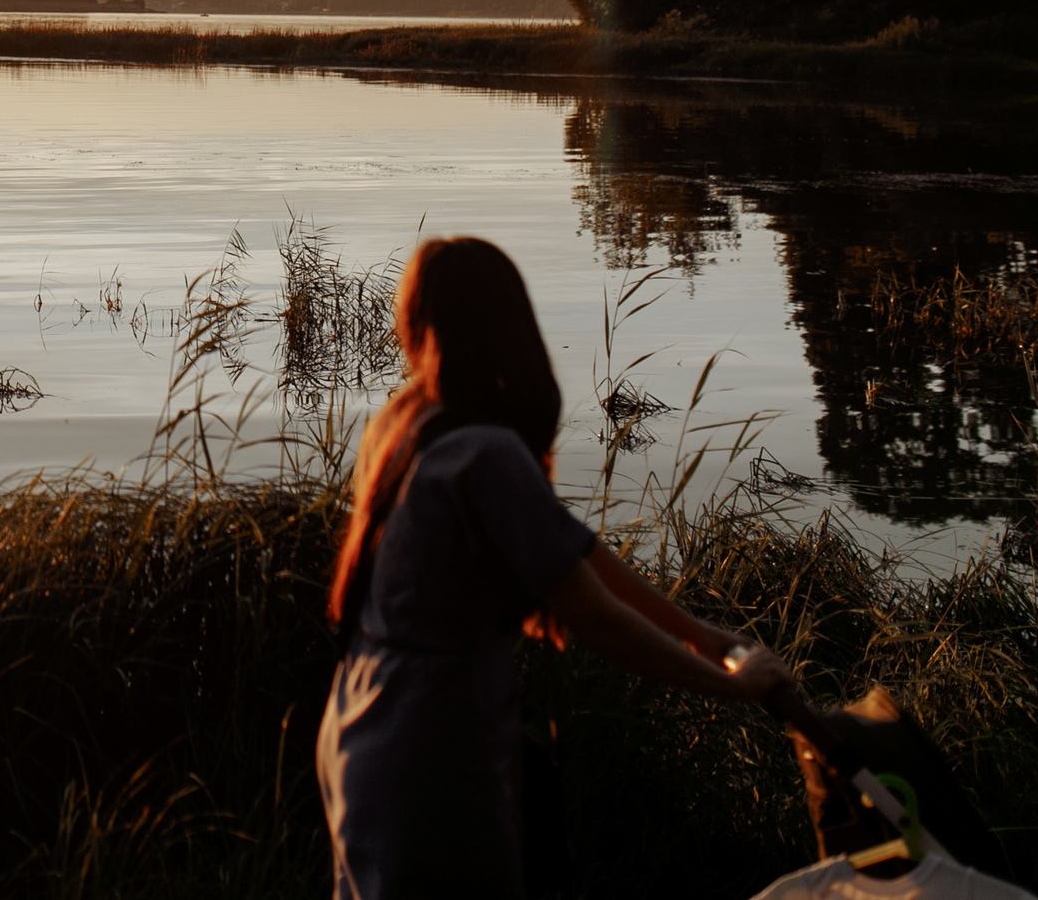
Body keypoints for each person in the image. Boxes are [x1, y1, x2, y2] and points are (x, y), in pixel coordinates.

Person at [315, 236, 795, 898]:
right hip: (431, 743)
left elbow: (575, 552)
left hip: (359, 720)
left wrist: (699, 632)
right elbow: (596, 617)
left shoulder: (402, 424)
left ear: (418, 325)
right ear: (511, 326)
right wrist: (739, 689)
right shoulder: (487, 454)